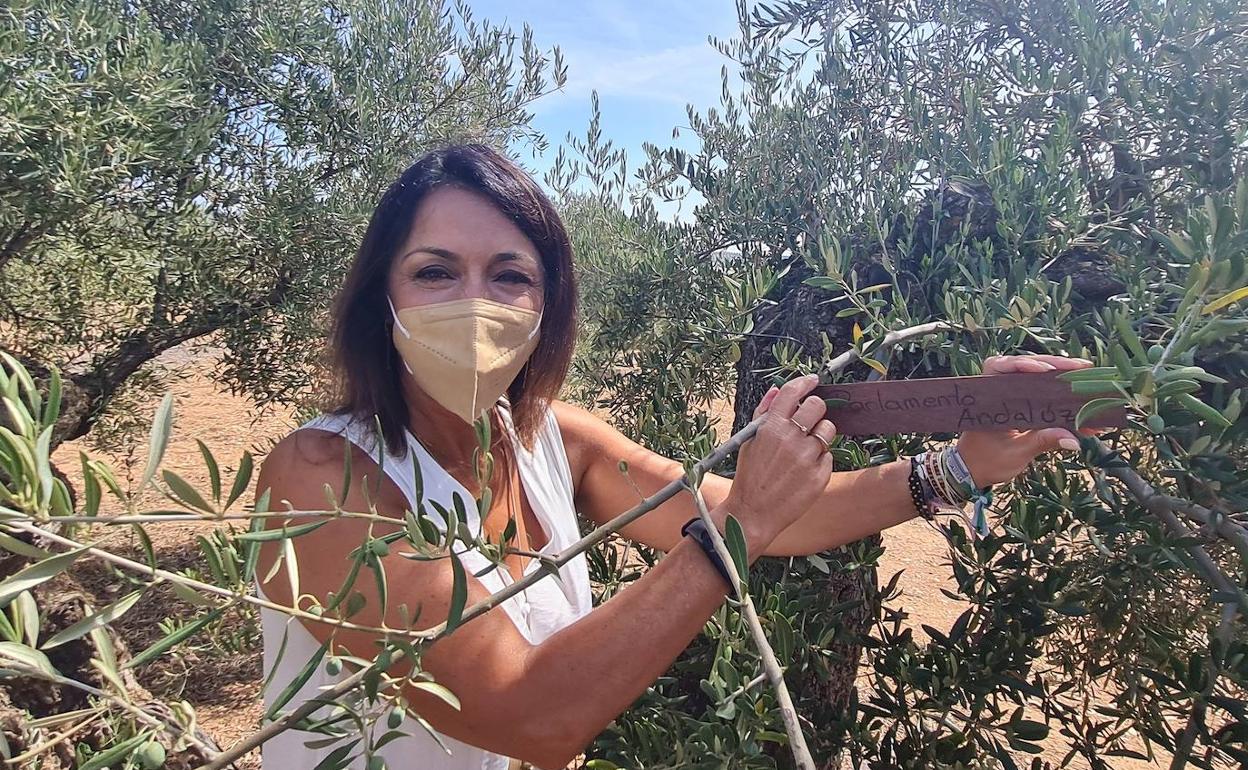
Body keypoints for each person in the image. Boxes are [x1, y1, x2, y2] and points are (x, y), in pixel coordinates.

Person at [254, 143, 1090, 770]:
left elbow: (765, 510)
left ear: (550, 304)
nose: (475, 304)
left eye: (510, 276)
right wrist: (742, 527)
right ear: (383, 298)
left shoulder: (551, 438)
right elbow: (530, 715)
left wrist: (961, 467)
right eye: (436, 273)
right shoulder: (321, 480)